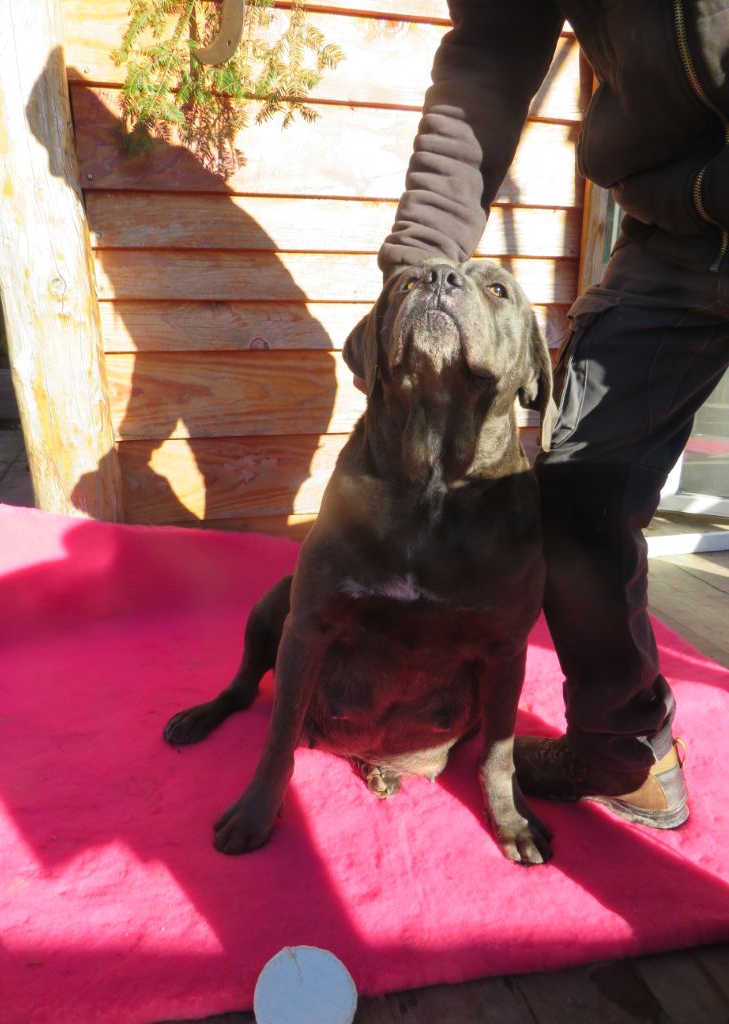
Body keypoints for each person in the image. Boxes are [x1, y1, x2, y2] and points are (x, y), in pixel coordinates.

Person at [346, 1, 729, 828]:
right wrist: (413, 281)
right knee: (569, 496)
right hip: (675, 235)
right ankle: (626, 751)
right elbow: (488, 57)